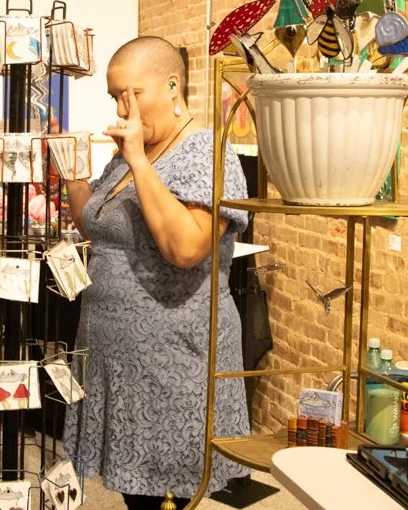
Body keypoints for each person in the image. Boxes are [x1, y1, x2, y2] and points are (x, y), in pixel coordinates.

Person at [64, 36, 251, 510]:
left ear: (172, 86)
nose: (121, 109)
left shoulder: (206, 152)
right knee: (138, 496)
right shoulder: (134, 151)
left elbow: (185, 248)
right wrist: (72, 175)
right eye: (115, 97)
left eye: (132, 94)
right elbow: (96, 225)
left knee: (165, 496)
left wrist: (138, 161)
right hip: (118, 360)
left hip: (174, 365)